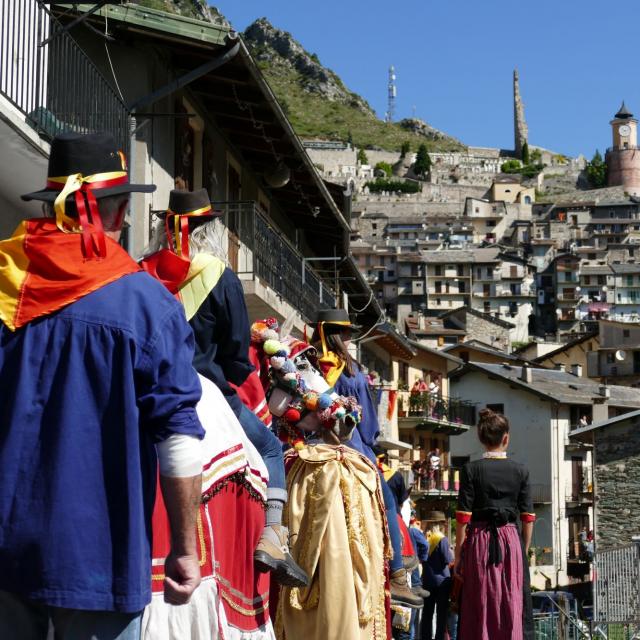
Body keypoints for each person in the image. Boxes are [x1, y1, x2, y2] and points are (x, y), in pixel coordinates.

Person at [0, 133, 204, 639]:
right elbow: (177, 436)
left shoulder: (5, 284)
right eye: (127, 208)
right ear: (112, 213)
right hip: (97, 558)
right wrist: (186, 548)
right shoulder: (147, 303)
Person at [141, 189, 307, 589]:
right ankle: (273, 533)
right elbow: (235, 352)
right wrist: (232, 372)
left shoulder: (140, 271)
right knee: (268, 445)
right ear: (210, 230)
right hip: (203, 387)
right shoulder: (220, 275)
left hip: (144, 386)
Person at [311, 309, 422, 608]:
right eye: (347, 334)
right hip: (353, 446)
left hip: (310, 444)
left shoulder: (310, 364)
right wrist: (371, 443)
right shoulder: (352, 372)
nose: (349, 338)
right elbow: (369, 425)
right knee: (387, 501)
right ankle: (398, 572)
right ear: (341, 335)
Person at [454, 408, 535, 640]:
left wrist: (459, 555)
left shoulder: (470, 470)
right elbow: (528, 517)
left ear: (481, 439)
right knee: (511, 600)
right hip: (510, 541)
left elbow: (462, 518)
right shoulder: (521, 471)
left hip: (479, 539)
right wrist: (523, 550)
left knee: (480, 599)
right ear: (506, 438)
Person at [420, 512, 453, 640]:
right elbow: (448, 559)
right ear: (439, 524)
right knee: (441, 614)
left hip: (427, 580)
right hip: (442, 583)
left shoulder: (424, 538)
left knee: (427, 613)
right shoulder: (441, 539)